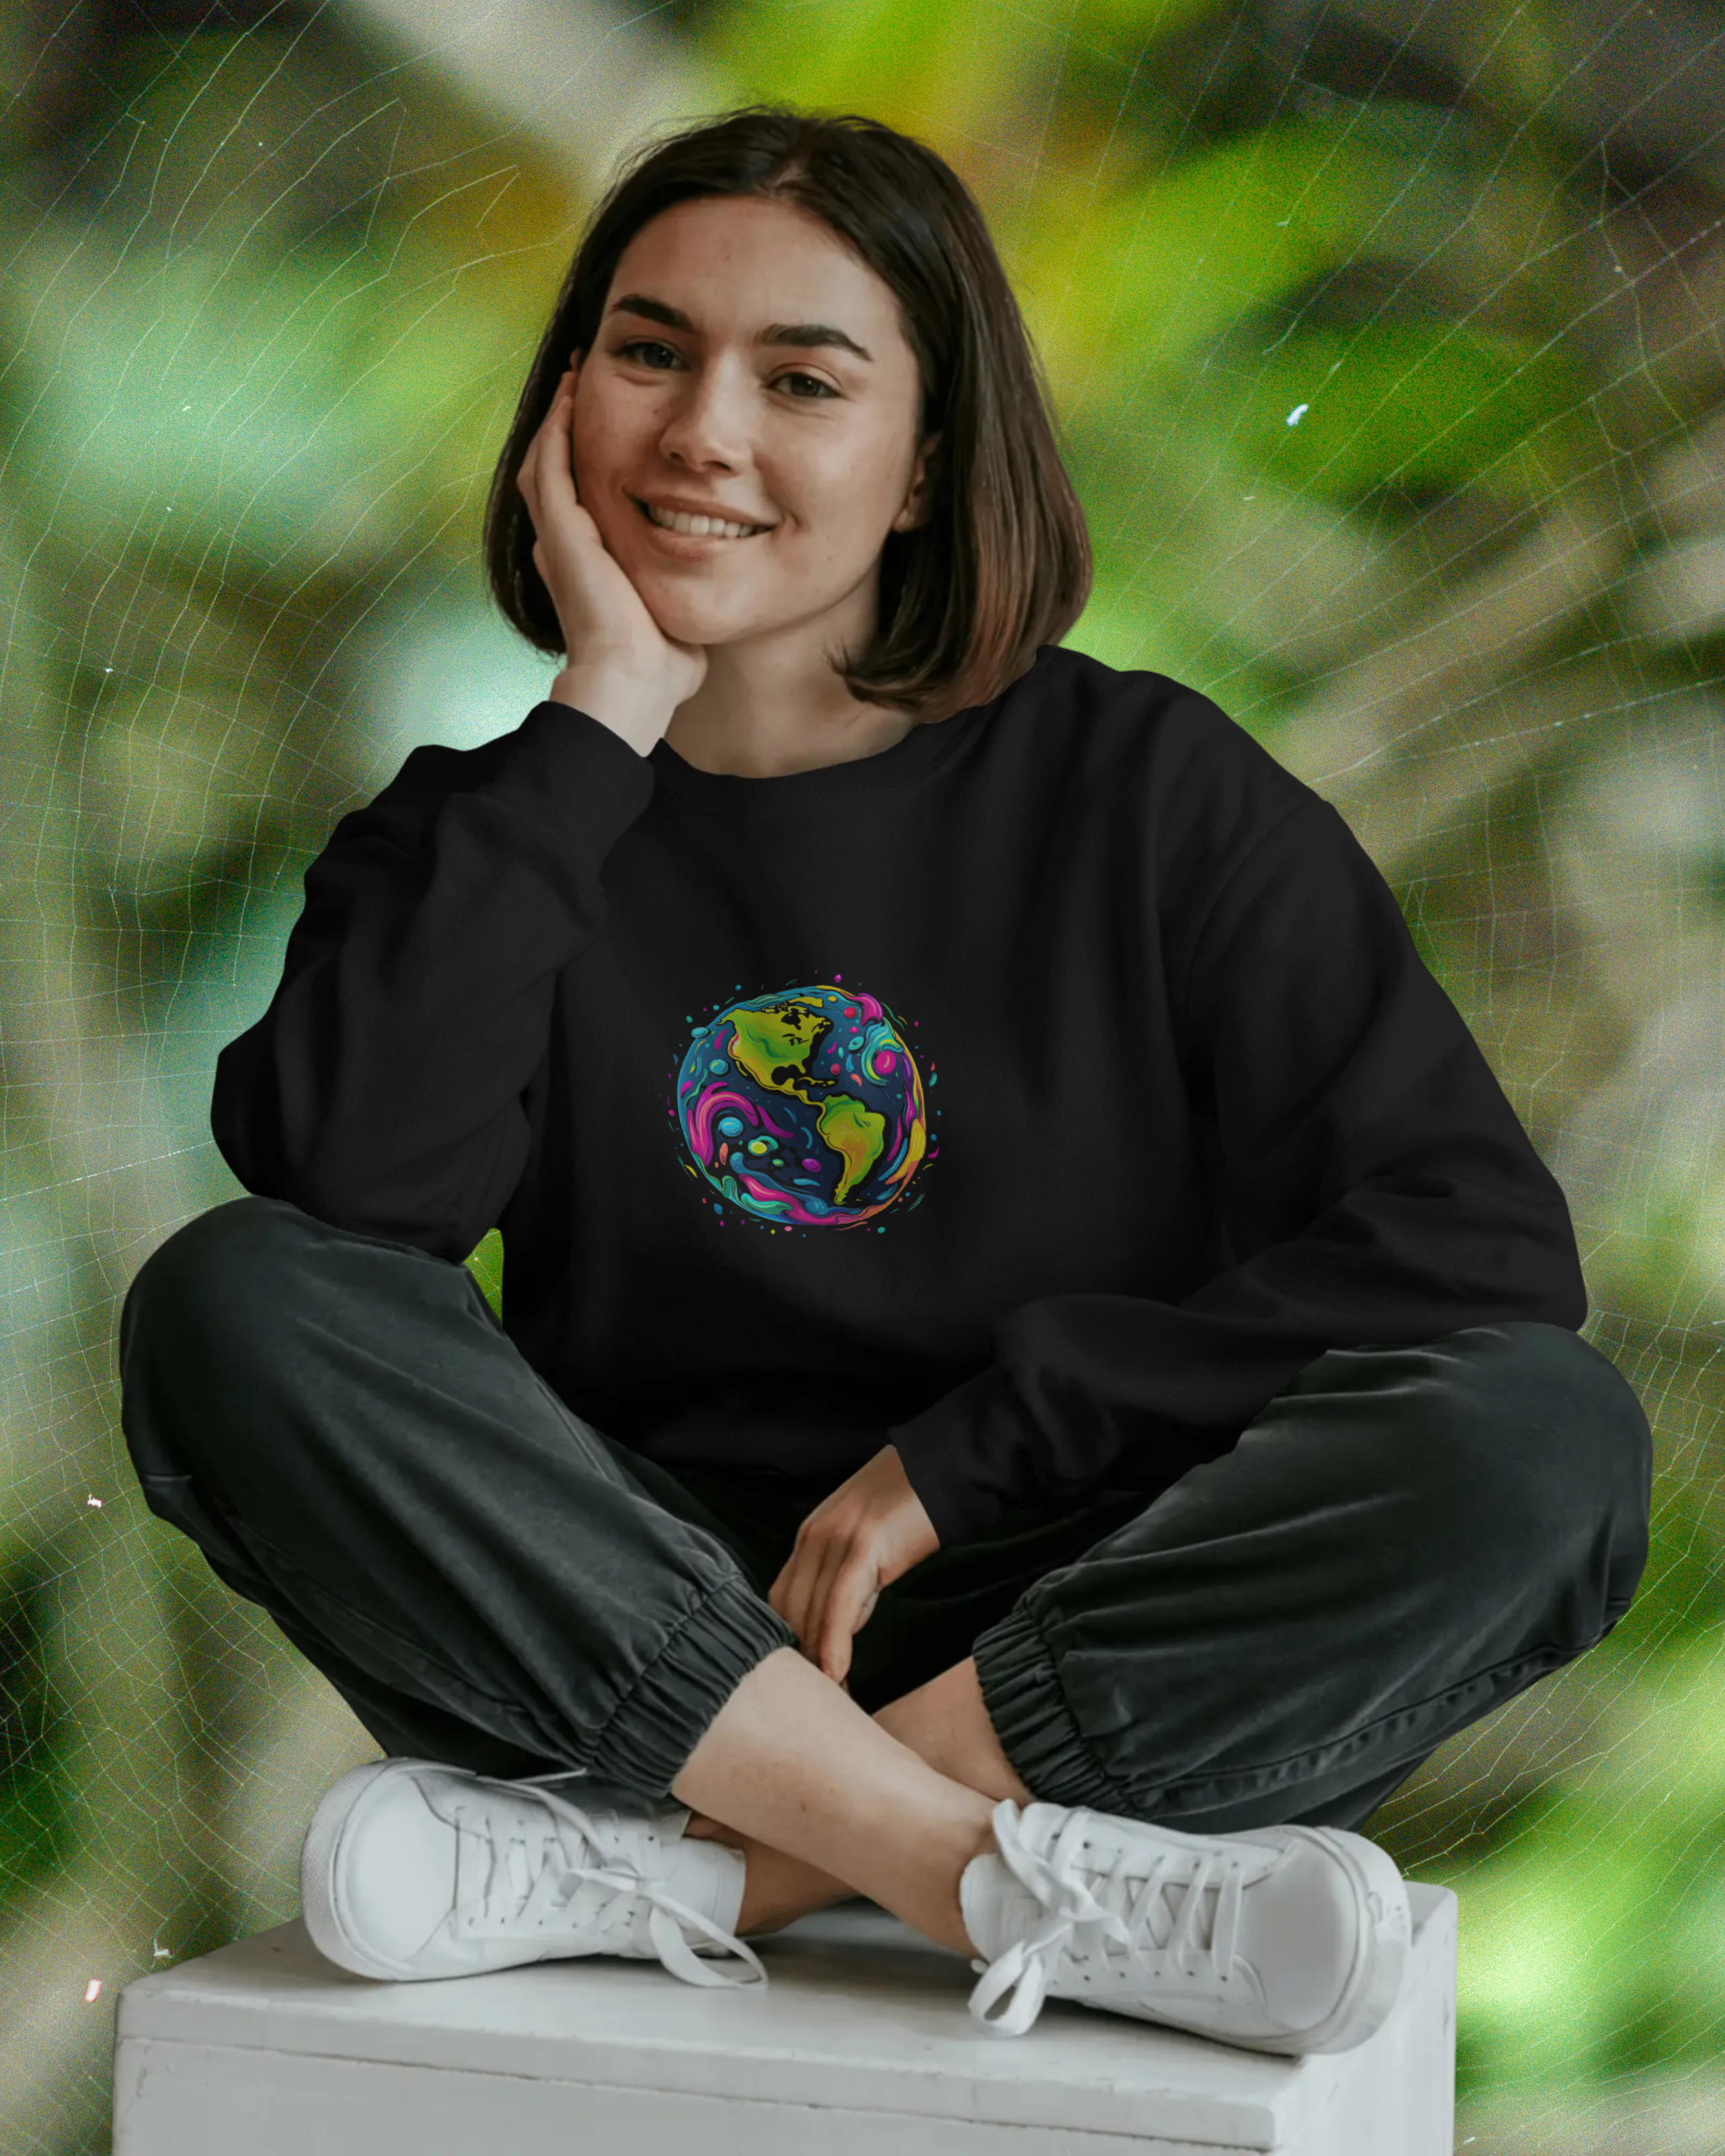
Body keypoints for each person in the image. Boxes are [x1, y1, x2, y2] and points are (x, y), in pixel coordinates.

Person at [116, 102, 1652, 2056]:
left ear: (926, 464)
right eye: (647, 350)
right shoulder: (488, 836)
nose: (702, 433)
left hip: (1105, 1634)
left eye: (803, 378)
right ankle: (978, 1872)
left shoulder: (1150, 797)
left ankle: (705, 1873)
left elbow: (1470, 1248)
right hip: (636, 1636)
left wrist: (970, 1449)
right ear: (558, 405)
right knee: (226, 1296)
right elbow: (352, 1202)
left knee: (1543, 1434)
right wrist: (601, 722)